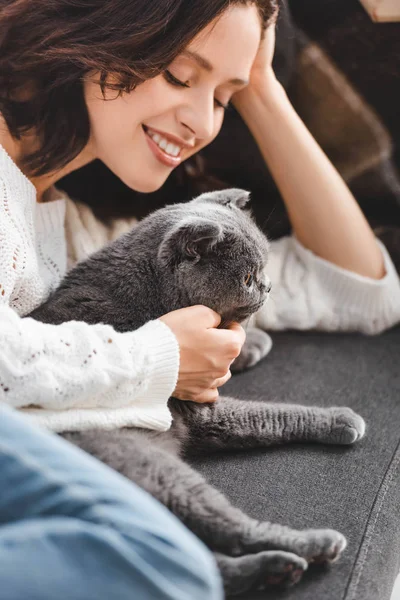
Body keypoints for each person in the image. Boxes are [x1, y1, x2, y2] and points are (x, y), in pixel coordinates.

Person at [0, 0, 399, 598]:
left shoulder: (75, 230)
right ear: (102, 29)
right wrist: (161, 357)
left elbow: (360, 291)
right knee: (169, 568)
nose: (202, 124)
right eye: (181, 76)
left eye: (222, 99)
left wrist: (260, 87)